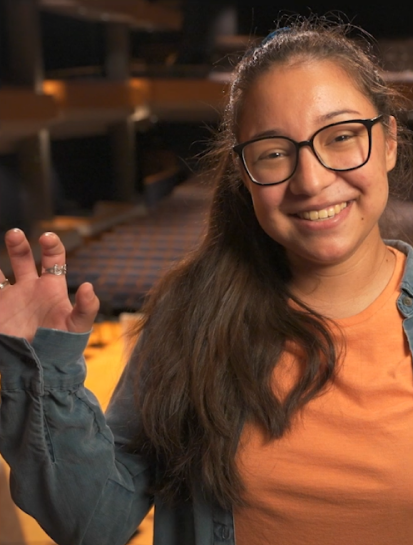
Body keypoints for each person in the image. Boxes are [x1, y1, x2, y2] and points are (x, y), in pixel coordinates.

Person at [1, 14, 413, 545]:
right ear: (245, 176)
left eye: (340, 137)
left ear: (388, 144)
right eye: (273, 152)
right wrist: (41, 368)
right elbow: (97, 523)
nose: (311, 181)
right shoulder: (190, 320)